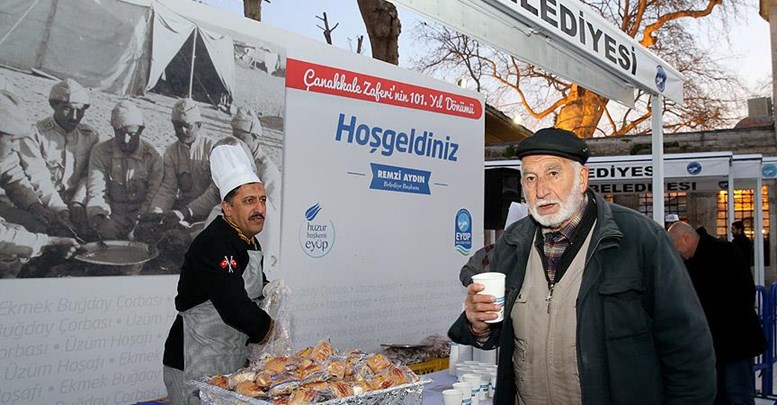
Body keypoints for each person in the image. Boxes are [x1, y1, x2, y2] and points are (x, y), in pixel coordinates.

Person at [449, 128, 715, 404]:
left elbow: (689, 351)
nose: (541, 190)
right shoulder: (513, 244)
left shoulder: (640, 239)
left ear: (582, 178)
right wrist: (478, 325)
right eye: (530, 178)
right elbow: (496, 332)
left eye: (553, 174)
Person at [162, 144, 274, 404]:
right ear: (227, 207)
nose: (259, 208)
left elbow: (248, 284)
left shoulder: (247, 239)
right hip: (193, 363)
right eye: (249, 201)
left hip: (226, 361)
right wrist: (271, 329)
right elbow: (232, 304)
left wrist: (269, 289)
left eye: (262, 200)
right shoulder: (214, 243)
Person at [668, 222, 766, 405]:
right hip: (714, 342)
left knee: (737, 392)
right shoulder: (697, 258)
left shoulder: (724, 252)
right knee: (719, 393)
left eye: (678, 249)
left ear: (686, 238)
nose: (679, 255)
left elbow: (744, 294)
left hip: (733, 340)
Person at [18, 78, 99, 233]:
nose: (74, 116)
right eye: (67, 109)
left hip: (76, 204)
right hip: (43, 203)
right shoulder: (35, 135)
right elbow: (37, 177)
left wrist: (77, 202)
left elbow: (88, 175)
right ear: (53, 105)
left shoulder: (90, 136)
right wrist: (60, 208)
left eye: (80, 110)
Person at [86, 100, 163, 240]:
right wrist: (100, 215)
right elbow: (96, 190)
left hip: (141, 215)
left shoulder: (153, 155)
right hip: (112, 214)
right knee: (105, 235)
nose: (125, 139)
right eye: (119, 133)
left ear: (141, 130)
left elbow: (153, 194)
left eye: (131, 133)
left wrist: (141, 220)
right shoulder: (100, 152)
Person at [146, 98, 219, 224]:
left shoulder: (212, 148)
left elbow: (215, 192)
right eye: (178, 126)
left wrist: (187, 211)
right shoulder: (171, 152)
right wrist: (157, 212)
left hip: (210, 213)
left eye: (188, 126)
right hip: (182, 212)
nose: (182, 131)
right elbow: (168, 188)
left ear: (198, 126)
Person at [0, 90, 57, 233]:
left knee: (37, 225)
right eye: (13, 140)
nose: (17, 147)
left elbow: (13, 177)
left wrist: (34, 206)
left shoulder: (6, 153)